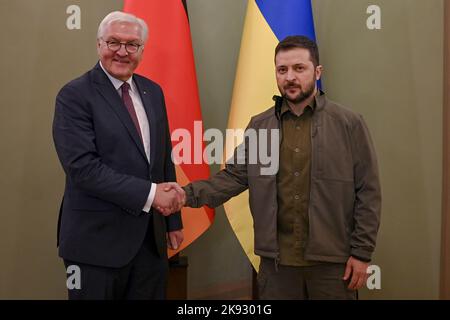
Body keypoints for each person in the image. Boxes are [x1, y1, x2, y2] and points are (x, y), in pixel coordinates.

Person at [168, 35, 381, 300]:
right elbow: (233, 178)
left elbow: (368, 193)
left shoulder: (349, 124)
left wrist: (361, 254)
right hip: (277, 268)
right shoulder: (260, 126)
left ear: (317, 72)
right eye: (282, 70)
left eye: (299, 68)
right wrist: (183, 194)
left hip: (332, 268)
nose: (290, 77)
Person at [52, 11, 185, 300]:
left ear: (142, 50)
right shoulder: (74, 95)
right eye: (114, 42)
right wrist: (152, 195)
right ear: (99, 44)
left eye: (132, 45)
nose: (122, 52)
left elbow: (163, 159)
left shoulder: (153, 91)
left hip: (151, 243)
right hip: (95, 246)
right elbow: (83, 169)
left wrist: (173, 220)